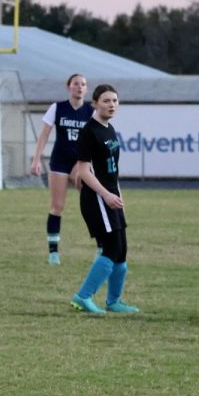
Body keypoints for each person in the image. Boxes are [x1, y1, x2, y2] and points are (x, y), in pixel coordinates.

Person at [68, 84, 138, 316]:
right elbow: (84, 171)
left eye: (115, 101)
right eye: (106, 101)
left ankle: (113, 301)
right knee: (112, 247)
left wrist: (117, 194)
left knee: (122, 250)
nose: (111, 105)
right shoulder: (90, 131)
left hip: (111, 197)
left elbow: (112, 170)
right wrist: (106, 195)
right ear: (95, 103)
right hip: (97, 198)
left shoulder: (110, 129)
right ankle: (83, 296)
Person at [29, 74, 92, 265]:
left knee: (91, 202)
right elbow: (44, 135)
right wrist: (36, 159)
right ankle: (53, 253)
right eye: (75, 84)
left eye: (83, 84)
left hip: (80, 161)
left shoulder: (91, 111)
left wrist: (91, 164)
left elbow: (97, 140)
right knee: (57, 206)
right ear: (69, 87)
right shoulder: (58, 108)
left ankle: (101, 246)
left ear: (86, 89)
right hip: (60, 160)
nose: (79, 87)